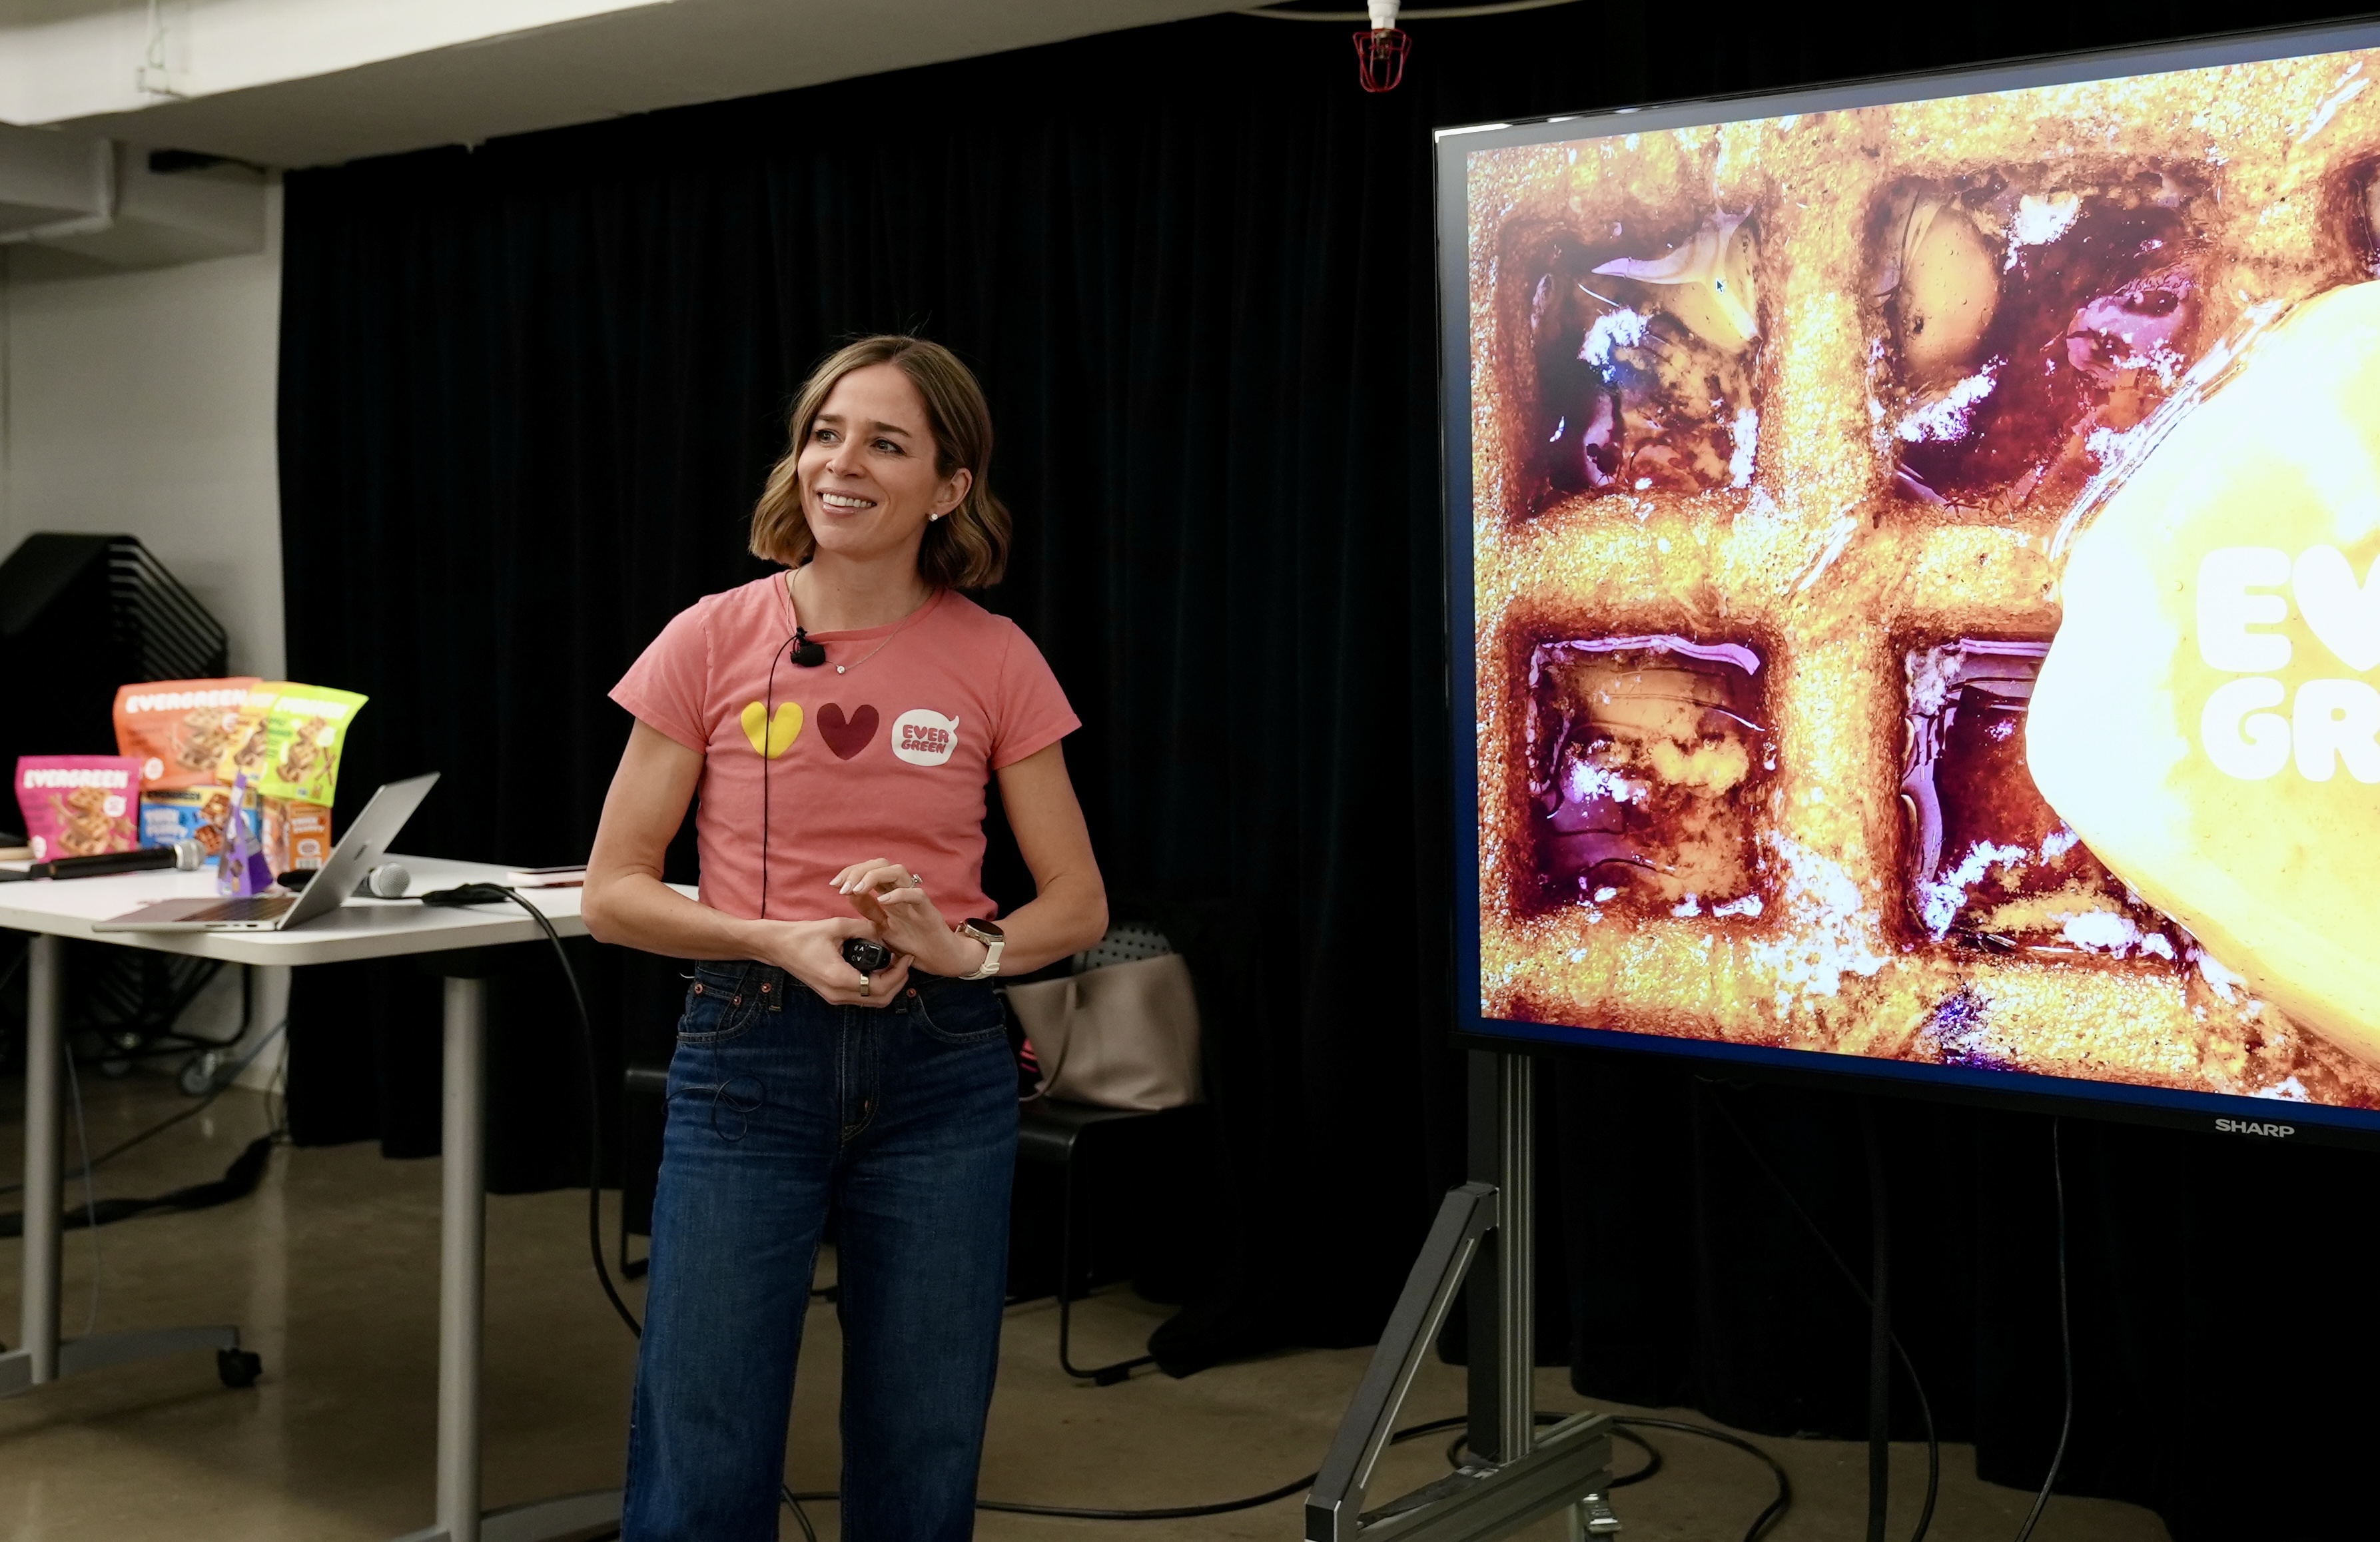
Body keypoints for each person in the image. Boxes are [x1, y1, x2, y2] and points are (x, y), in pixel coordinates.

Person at [584, 334, 1108, 1541]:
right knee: (704, 1442)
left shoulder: (995, 655)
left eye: (886, 442)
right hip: (746, 1054)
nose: (842, 462)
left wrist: (960, 948)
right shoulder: (711, 637)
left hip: (945, 1068)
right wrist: (777, 941)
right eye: (826, 432)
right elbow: (615, 892)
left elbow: (1074, 900)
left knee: (924, 1442)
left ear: (948, 487)